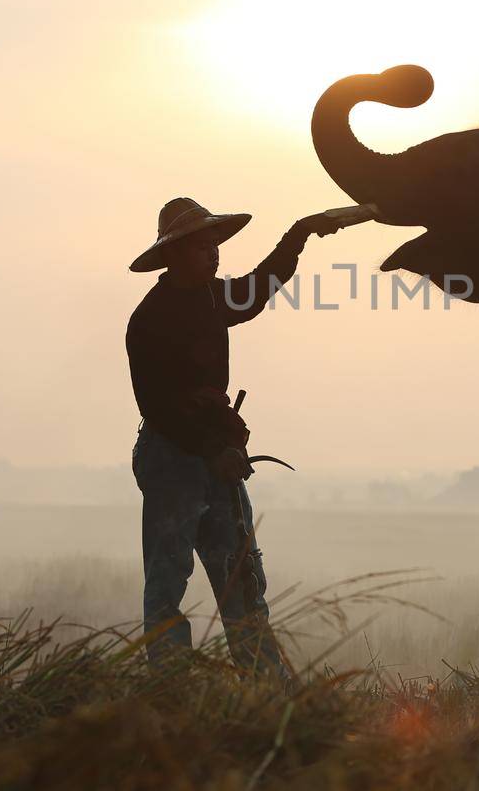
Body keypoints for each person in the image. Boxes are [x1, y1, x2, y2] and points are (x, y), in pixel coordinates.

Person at [125, 196, 345, 671]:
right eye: (202, 246)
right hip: (173, 458)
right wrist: (210, 448)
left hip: (215, 456)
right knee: (167, 583)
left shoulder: (213, 298)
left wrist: (299, 235)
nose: (214, 253)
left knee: (241, 581)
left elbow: (259, 288)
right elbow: (159, 408)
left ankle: (268, 693)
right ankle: (173, 691)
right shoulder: (151, 320)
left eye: (214, 244)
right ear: (173, 254)